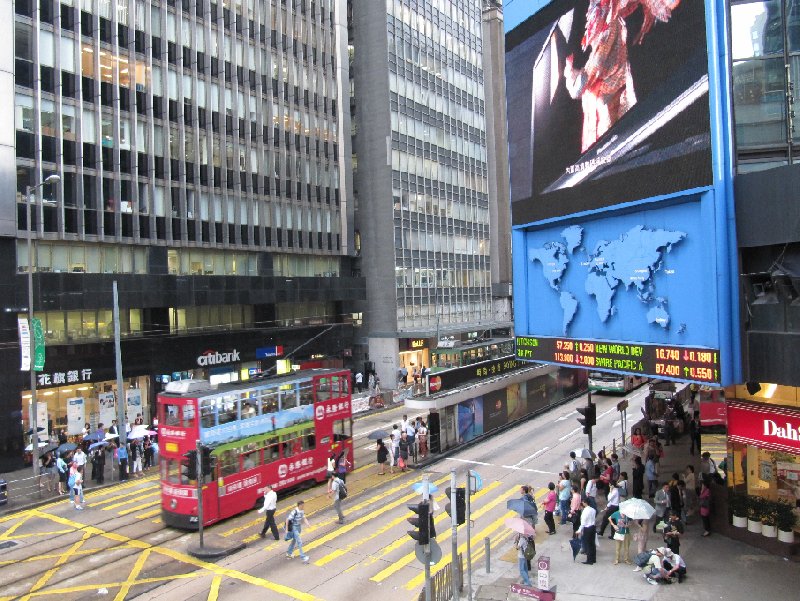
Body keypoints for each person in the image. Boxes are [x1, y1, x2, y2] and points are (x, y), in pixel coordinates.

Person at [577, 498, 597, 564]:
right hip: (593, 527)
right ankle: (593, 558)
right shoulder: (593, 510)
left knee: (588, 544)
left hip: (587, 528)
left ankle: (589, 560)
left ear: (585, 503)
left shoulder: (585, 511)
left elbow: (583, 522)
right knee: (592, 544)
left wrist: (579, 530)